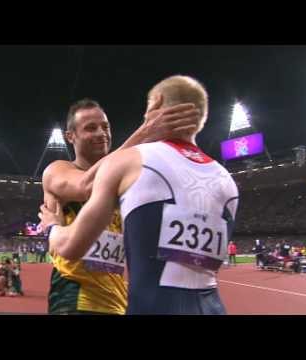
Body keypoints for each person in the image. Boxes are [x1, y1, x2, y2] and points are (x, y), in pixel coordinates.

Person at [39, 75, 239, 315]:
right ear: (70, 136)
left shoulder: (129, 177)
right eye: (90, 128)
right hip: (75, 298)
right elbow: (84, 186)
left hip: (118, 301)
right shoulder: (58, 170)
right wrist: (146, 132)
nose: (101, 133)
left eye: (105, 126)